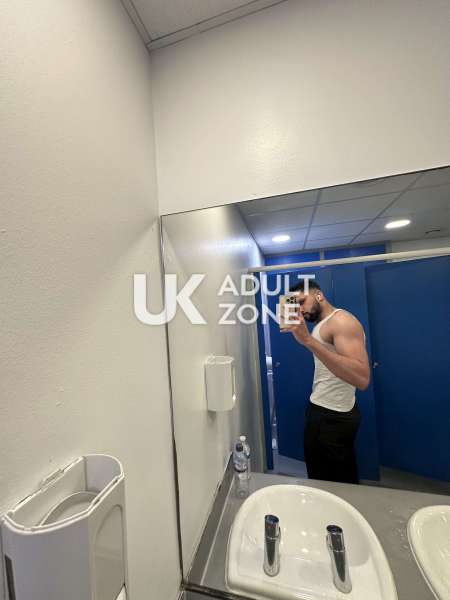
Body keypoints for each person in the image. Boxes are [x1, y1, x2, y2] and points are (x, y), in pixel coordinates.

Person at [281, 279, 370, 484]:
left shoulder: (341, 321)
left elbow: (362, 378)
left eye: (302, 302)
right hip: (326, 410)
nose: (300, 310)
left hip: (332, 417)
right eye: (295, 305)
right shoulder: (323, 323)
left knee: (329, 482)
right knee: (334, 477)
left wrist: (308, 341)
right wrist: (307, 340)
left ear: (319, 295)